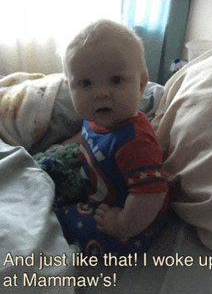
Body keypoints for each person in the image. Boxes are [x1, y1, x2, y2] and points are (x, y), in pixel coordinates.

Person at [55, 19, 169, 256]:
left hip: (136, 221)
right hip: (99, 191)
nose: (101, 93)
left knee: (60, 218)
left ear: (141, 84)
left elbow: (152, 194)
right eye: (85, 83)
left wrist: (122, 224)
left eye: (116, 80)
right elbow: (87, 134)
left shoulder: (135, 143)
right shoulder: (97, 116)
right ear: (69, 88)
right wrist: (65, 146)